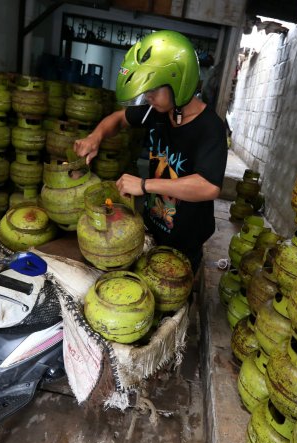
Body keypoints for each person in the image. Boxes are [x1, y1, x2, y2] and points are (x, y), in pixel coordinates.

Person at [73, 30, 228, 273]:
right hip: (152, 227)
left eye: (153, 89)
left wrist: (144, 185)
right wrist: (95, 137)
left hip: (184, 243)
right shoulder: (155, 112)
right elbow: (118, 119)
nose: (147, 96)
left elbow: (208, 186)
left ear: (179, 82)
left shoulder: (211, 128)